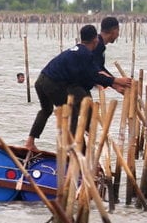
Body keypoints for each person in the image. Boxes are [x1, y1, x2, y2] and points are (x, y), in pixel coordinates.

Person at [25, 25, 133, 153]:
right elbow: (94, 75)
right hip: (52, 83)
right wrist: (116, 80)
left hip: (41, 81)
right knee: (73, 112)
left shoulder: (76, 50)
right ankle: (73, 151)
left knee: (46, 110)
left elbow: (90, 76)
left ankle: (30, 142)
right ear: (95, 40)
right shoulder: (85, 54)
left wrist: (114, 84)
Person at [93, 16, 125, 94]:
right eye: (118, 30)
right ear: (114, 30)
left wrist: (115, 84)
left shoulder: (100, 43)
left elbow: (100, 68)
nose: (118, 34)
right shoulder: (97, 44)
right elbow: (96, 71)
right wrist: (116, 82)